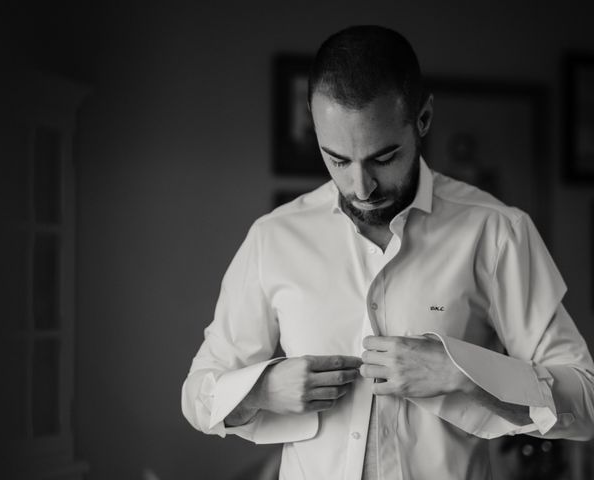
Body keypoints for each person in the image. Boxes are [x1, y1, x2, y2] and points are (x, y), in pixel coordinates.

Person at [181, 25, 594, 479]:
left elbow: (586, 401)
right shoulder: (273, 238)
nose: (361, 187)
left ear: (423, 119)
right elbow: (199, 395)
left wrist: (462, 373)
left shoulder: (496, 232)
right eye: (337, 159)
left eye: (383, 157)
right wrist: (260, 391)